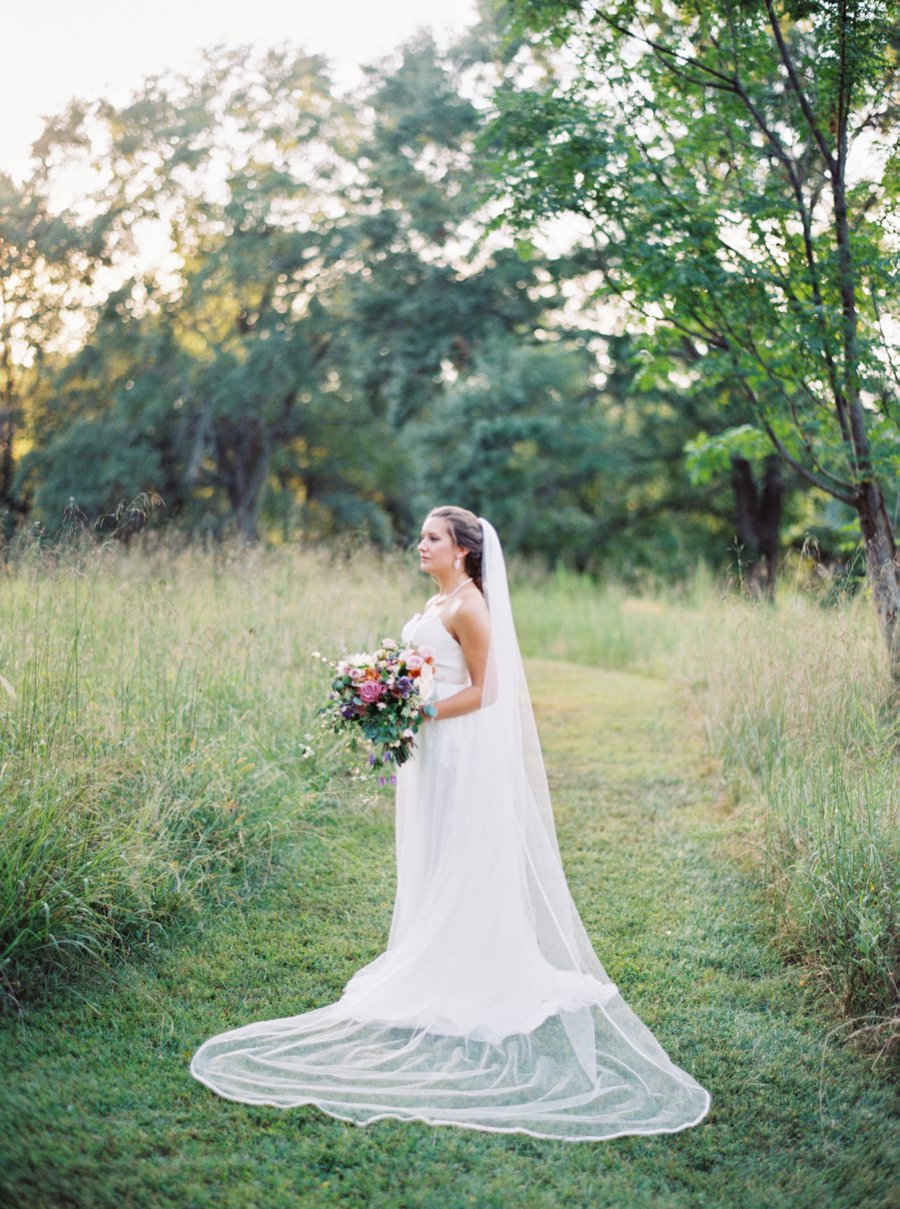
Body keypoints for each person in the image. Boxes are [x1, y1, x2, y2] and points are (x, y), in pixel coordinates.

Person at [190, 507, 712, 1140]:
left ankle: (467, 964)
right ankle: (425, 947)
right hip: (427, 752)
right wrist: (388, 698)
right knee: (431, 850)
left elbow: (488, 693)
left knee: (462, 850)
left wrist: (417, 710)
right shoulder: (435, 602)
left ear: (463, 549)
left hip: (458, 748)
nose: (421, 544)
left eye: (432, 538)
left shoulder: (470, 607)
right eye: (422, 536)